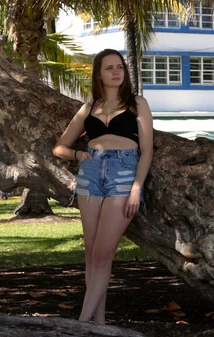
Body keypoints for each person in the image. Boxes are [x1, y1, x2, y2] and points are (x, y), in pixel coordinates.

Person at [52, 49, 153, 324]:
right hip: (91, 174)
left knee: (103, 253)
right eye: (109, 68)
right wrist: (79, 155)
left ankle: (81, 324)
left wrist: (136, 188)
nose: (116, 72)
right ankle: (99, 324)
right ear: (99, 73)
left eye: (119, 67)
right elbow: (59, 147)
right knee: (91, 251)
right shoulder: (89, 108)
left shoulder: (137, 104)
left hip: (123, 175)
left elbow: (147, 151)